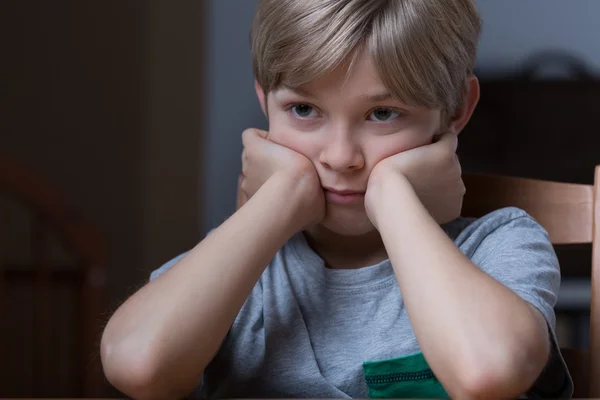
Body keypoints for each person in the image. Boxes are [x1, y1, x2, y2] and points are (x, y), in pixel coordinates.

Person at [100, 0, 573, 398]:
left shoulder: (498, 245)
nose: (341, 156)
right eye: (303, 110)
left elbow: (487, 372)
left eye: (383, 113)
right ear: (265, 103)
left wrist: (393, 199)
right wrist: (279, 198)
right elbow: (138, 364)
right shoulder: (242, 263)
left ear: (456, 111)